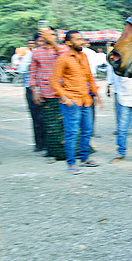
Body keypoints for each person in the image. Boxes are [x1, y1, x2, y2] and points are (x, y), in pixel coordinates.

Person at [50, 30, 100, 175]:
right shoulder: (62, 58)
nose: (81, 41)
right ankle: (71, 163)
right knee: (71, 133)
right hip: (72, 102)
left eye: (82, 39)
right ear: (68, 43)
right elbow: (53, 81)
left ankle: (84, 159)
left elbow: (89, 76)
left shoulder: (84, 56)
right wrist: (65, 97)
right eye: (78, 39)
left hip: (86, 100)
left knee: (87, 130)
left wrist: (96, 94)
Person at [28, 25, 66, 162]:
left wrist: (53, 42)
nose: (50, 37)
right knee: (50, 125)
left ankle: (68, 152)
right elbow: (32, 73)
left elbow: (66, 56)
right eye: (46, 35)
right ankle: (53, 153)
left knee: (65, 123)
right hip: (46, 92)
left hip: (64, 93)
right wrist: (35, 91)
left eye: (52, 34)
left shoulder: (63, 50)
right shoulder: (37, 52)